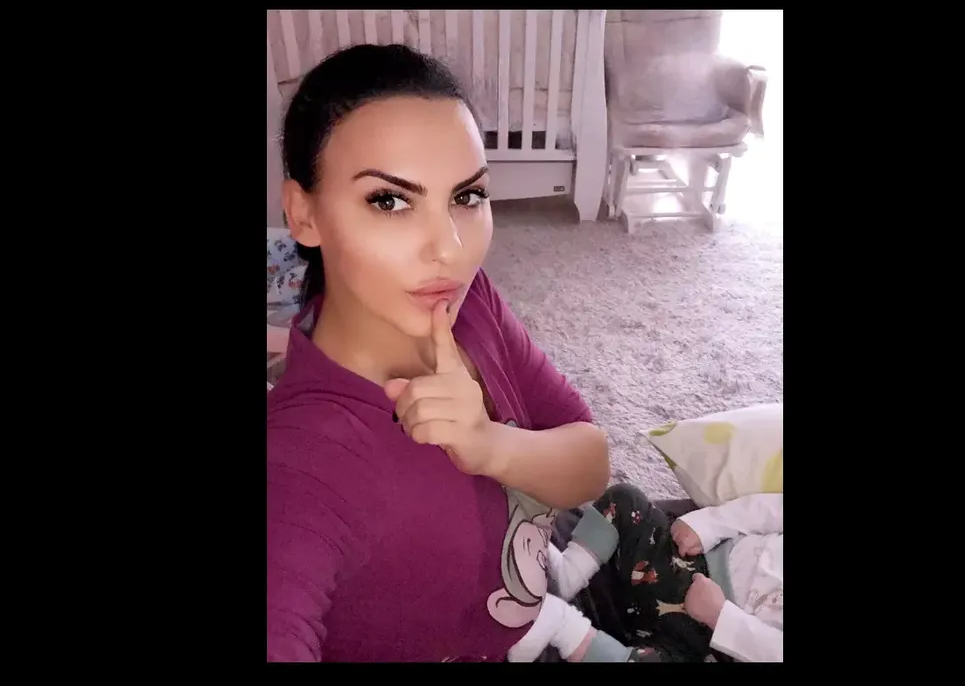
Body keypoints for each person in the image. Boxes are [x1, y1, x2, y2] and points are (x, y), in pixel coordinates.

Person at [266, 43, 611, 662]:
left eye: (467, 196)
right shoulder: (302, 458)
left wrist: (490, 446)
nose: (450, 249)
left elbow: (591, 462)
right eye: (390, 201)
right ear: (303, 214)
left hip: (542, 604)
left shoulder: (469, 303)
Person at [506, 483, 783, 663]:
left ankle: (562, 625)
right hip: (693, 565)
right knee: (625, 500)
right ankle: (570, 573)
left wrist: (720, 617)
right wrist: (706, 525)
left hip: (707, 643)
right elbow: (765, 511)